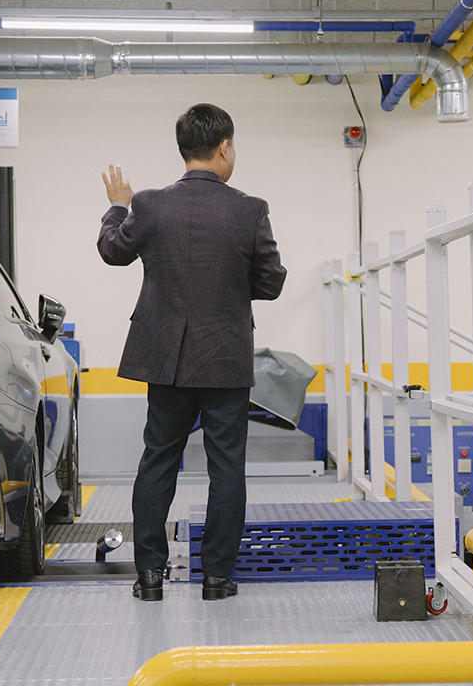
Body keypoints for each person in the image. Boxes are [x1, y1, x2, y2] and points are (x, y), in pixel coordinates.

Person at [98, 103, 287, 603]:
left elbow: (113, 250)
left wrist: (119, 206)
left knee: (159, 459)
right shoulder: (249, 209)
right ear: (224, 147)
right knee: (227, 466)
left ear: (184, 150)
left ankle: (150, 577)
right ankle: (217, 578)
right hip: (225, 357)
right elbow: (271, 282)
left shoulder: (151, 204)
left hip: (166, 357)